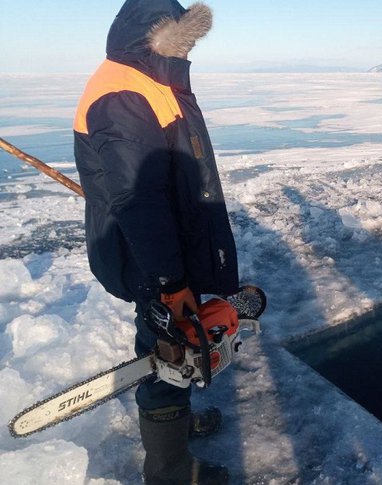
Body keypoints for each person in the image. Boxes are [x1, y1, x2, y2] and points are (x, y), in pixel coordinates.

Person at [73, 1, 238, 483]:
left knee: (172, 348)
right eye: (182, 40)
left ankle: (176, 425)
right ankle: (171, 470)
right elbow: (139, 199)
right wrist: (171, 281)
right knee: (172, 353)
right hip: (151, 259)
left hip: (159, 250)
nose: (187, 51)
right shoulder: (124, 95)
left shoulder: (145, 81)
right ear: (157, 36)